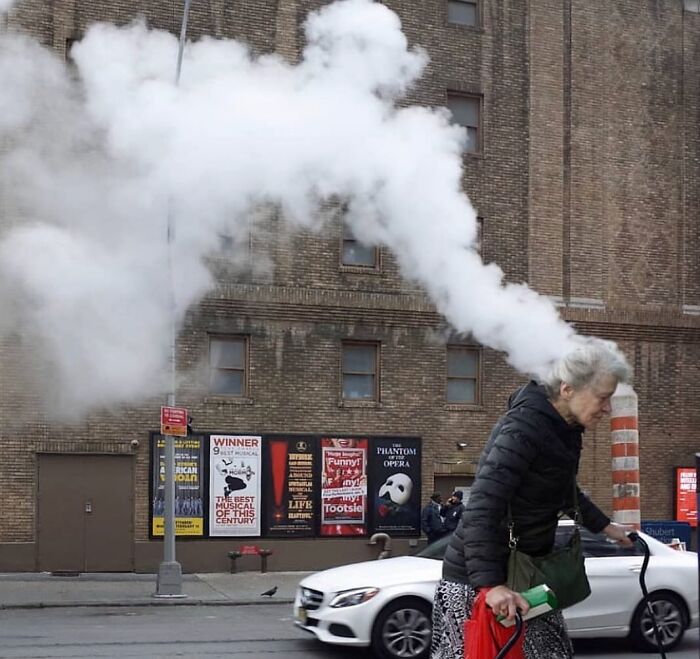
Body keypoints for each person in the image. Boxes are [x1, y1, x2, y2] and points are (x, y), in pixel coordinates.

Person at [431, 337, 634, 659]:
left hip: (526, 574)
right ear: (567, 389)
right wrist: (490, 585)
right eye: (602, 397)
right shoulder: (524, 428)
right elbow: (483, 506)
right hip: (480, 580)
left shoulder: (566, 429)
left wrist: (604, 526)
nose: (607, 408)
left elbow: (562, 488)